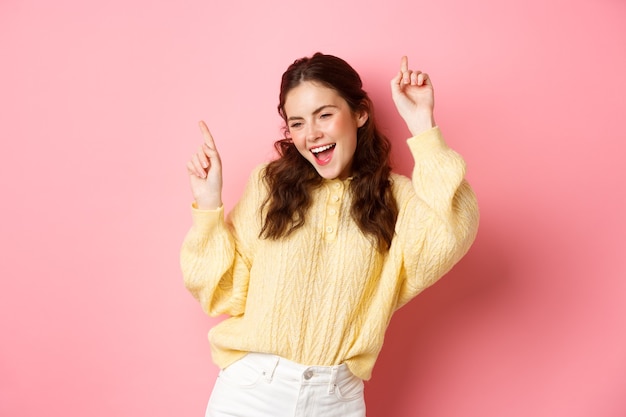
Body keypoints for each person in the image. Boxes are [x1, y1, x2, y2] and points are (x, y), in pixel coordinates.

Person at [181, 53, 479, 417]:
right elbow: (224, 291)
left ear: (359, 113)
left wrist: (422, 127)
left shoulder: (396, 197)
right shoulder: (269, 185)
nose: (312, 134)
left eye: (324, 114)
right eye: (297, 123)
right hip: (250, 392)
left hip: (335, 400)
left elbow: (453, 228)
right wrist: (209, 206)